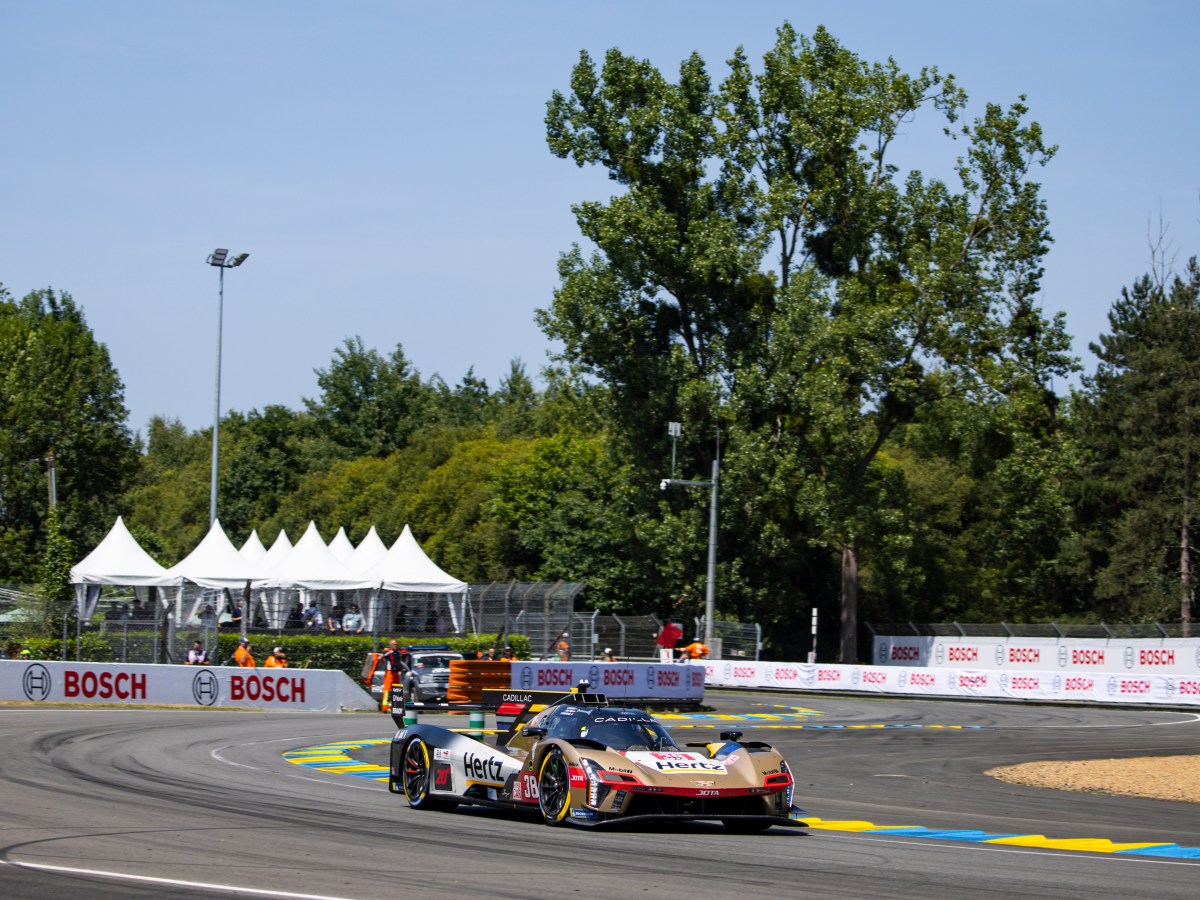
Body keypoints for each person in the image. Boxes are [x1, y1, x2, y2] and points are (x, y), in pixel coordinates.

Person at [380, 639, 405, 712]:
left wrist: (402, 671)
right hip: (389, 673)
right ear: (390, 645)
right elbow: (380, 658)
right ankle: (385, 707)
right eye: (394, 644)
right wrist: (383, 664)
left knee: (397, 689)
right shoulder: (388, 653)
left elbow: (398, 663)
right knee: (387, 690)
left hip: (396, 673)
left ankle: (397, 706)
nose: (396, 646)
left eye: (396, 644)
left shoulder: (397, 653)